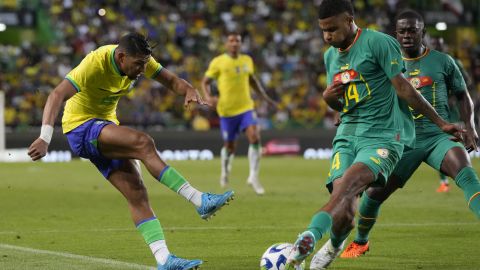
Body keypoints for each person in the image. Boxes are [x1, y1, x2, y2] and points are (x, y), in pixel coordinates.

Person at [27, 32, 235, 270]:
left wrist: (187, 89)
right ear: (121, 56)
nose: (141, 70)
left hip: (103, 127)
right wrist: (45, 138)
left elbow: (171, 81)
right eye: (138, 65)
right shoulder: (95, 62)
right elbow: (56, 95)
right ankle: (199, 199)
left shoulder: (140, 60)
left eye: (145, 64)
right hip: (80, 127)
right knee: (143, 143)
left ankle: (164, 259)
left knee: (137, 193)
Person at [285, 1, 464, 269]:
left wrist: (440, 122)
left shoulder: (380, 43)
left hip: (383, 136)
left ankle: (309, 237)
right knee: (343, 209)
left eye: (332, 29)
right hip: (347, 135)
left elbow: (404, 88)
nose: (327, 36)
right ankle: (335, 244)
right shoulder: (330, 56)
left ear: (349, 20)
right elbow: (341, 103)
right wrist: (327, 98)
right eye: (323, 30)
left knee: (346, 188)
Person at [339, 10, 480, 260]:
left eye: (412, 30)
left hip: (438, 135)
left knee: (467, 174)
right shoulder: (386, 61)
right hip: (402, 139)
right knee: (374, 196)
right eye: (402, 31)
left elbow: (462, 94)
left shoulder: (443, 61)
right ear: (396, 34)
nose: (407, 35)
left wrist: (470, 125)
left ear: (422, 32)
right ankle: (361, 242)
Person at [201, 32, 277, 195]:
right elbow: (205, 81)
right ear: (226, 44)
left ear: (241, 44)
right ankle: (225, 170)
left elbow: (252, 80)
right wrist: (208, 97)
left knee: (255, 136)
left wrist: (265, 97)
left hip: (246, 108)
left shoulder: (247, 60)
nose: (235, 43)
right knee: (230, 146)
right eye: (231, 41)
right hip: (227, 111)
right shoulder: (218, 62)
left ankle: (254, 177)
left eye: (238, 41)